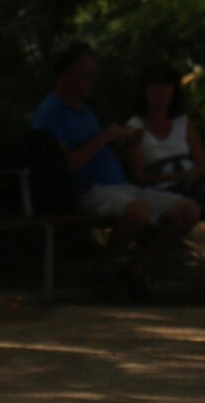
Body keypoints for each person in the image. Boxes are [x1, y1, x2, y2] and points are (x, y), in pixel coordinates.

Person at [31, 41, 200, 297]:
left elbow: (102, 151)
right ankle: (103, 270)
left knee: (188, 210)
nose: (92, 80)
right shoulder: (51, 114)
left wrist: (123, 145)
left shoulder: (85, 111)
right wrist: (104, 139)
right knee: (138, 212)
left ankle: (136, 269)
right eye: (86, 74)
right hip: (90, 190)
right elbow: (62, 167)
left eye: (93, 74)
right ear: (66, 75)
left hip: (122, 187)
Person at [126, 61, 205, 208]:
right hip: (158, 194)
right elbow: (138, 176)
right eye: (156, 85)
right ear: (145, 89)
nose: (162, 92)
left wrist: (193, 175)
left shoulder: (183, 123)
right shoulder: (135, 126)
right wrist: (178, 176)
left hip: (193, 189)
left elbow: (202, 163)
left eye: (167, 85)